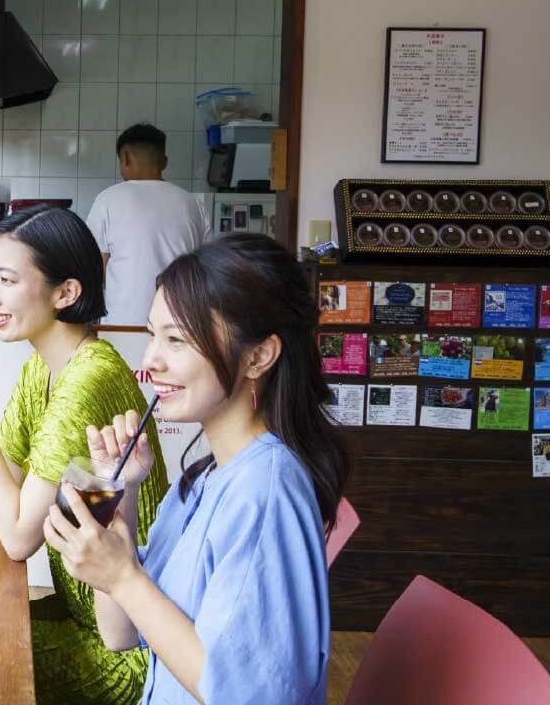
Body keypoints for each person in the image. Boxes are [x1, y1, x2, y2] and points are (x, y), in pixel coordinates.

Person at [43, 233, 350, 705]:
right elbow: (119, 632)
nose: (151, 361)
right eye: (152, 335)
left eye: (177, 339)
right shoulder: (204, 479)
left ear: (258, 356)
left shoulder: (264, 491)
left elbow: (246, 695)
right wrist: (120, 496)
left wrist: (126, 577)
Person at [0, 204, 170, 705]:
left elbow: (18, 537)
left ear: (66, 293)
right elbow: (3, 485)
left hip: (125, 650)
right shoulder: (43, 368)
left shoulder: (88, 379)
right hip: (85, 612)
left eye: (6, 280)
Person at [85, 123, 211, 326]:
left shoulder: (107, 200)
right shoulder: (194, 204)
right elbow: (205, 269)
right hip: (181, 324)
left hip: (124, 325)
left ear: (125, 158)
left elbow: (95, 268)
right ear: (165, 162)